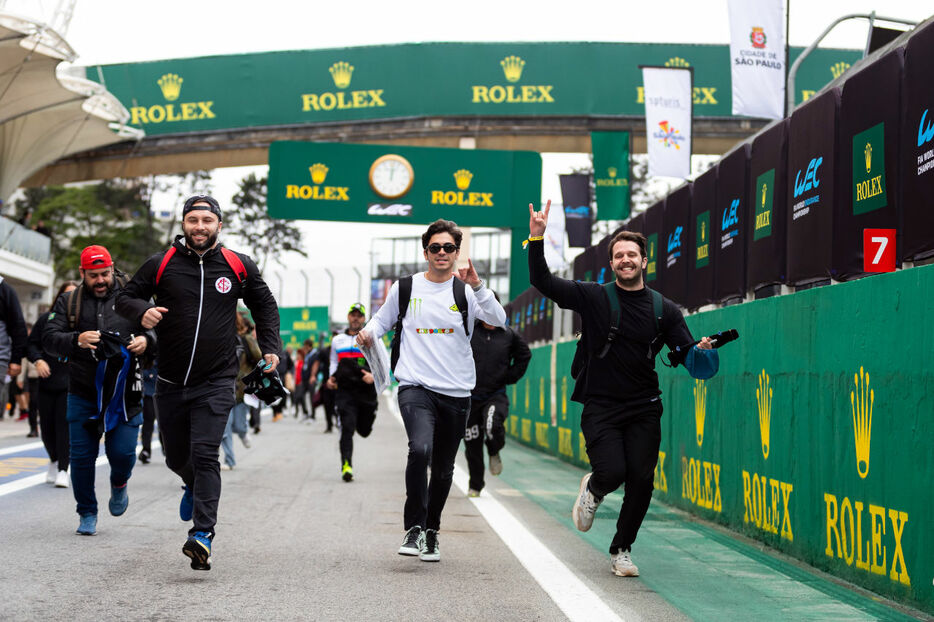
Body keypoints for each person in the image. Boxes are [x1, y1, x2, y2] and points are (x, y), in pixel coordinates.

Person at [527, 201, 712, 578]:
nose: (625, 260)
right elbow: (542, 281)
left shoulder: (665, 309)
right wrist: (536, 237)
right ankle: (593, 490)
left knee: (642, 480)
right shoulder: (594, 296)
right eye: (618, 256)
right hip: (601, 404)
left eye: (632, 254)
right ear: (611, 264)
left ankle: (621, 550)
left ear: (645, 261)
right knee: (612, 471)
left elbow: (686, 353)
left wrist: (701, 351)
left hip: (645, 405)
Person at [115, 194, 280, 571]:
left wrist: (270, 348)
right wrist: (143, 311)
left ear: (219, 225)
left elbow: (265, 306)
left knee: (206, 454)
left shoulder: (238, 266)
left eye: (207, 220)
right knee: (176, 457)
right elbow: (125, 297)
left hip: (217, 380)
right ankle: (190, 484)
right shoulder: (162, 265)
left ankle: (202, 534)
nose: (200, 226)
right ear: (184, 224)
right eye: (193, 220)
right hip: (170, 380)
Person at [357, 218, 506, 563]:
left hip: (456, 391)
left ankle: (432, 531)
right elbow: (382, 321)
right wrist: (368, 333)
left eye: (449, 248)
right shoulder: (405, 287)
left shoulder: (467, 291)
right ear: (426, 252)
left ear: (457, 253)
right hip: (415, 385)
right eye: (435, 247)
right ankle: (413, 527)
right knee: (420, 449)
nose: (442, 253)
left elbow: (499, 320)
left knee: (442, 469)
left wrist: (480, 285)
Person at [43, 246, 151, 536]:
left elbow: (159, 328)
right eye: (94, 276)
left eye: (105, 273)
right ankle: (87, 512)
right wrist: (76, 339)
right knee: (80, 458)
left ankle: (119, 483)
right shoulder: (69, 301)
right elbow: (49, 338)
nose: (101, 280)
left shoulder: (133, 295)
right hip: (82, 391)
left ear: (112, 267)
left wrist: (146, 340)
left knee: (123, 453)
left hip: (125, 393)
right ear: (82, 274)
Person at [465, 307, 531, 496]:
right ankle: (475, 485)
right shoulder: (470, 331)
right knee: (472, 444)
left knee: (492, 425)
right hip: (469, 396)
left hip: (495, 395)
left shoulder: (509, 335)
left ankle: (494, 450)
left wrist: (509, 377)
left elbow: (524, 356)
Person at [28, 281, 77, 487]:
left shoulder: (83, 322)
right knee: (46, 428)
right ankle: (54, 459)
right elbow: (31, 345)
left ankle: (64, 469)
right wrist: (38, 360)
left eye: (74, 296)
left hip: (71, 384)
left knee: (63, 426)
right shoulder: (45, 320)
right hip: (47, 382)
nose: (69, 301)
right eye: (66, 296)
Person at [326, 303, 377, 482]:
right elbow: (333, 361)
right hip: (345, 392)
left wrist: (373, 376)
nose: (356, 318)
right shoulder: (337, 340)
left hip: (365, 391)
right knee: (346, 428)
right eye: (353, 315)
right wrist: (331, 378)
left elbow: (381, 363)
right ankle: (346, 465)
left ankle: (359, 421)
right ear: (348, 317)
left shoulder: (370, 338)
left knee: (364, 430)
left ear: (364, 319)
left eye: (359, 315)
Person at [220, 313, 261, 470]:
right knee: (225, 428)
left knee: (239, 426)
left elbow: (259, 358)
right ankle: (230, 461)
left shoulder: (247, 340)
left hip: (243, 390)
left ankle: (244, 434)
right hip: (224, 389)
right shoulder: (221, 339)